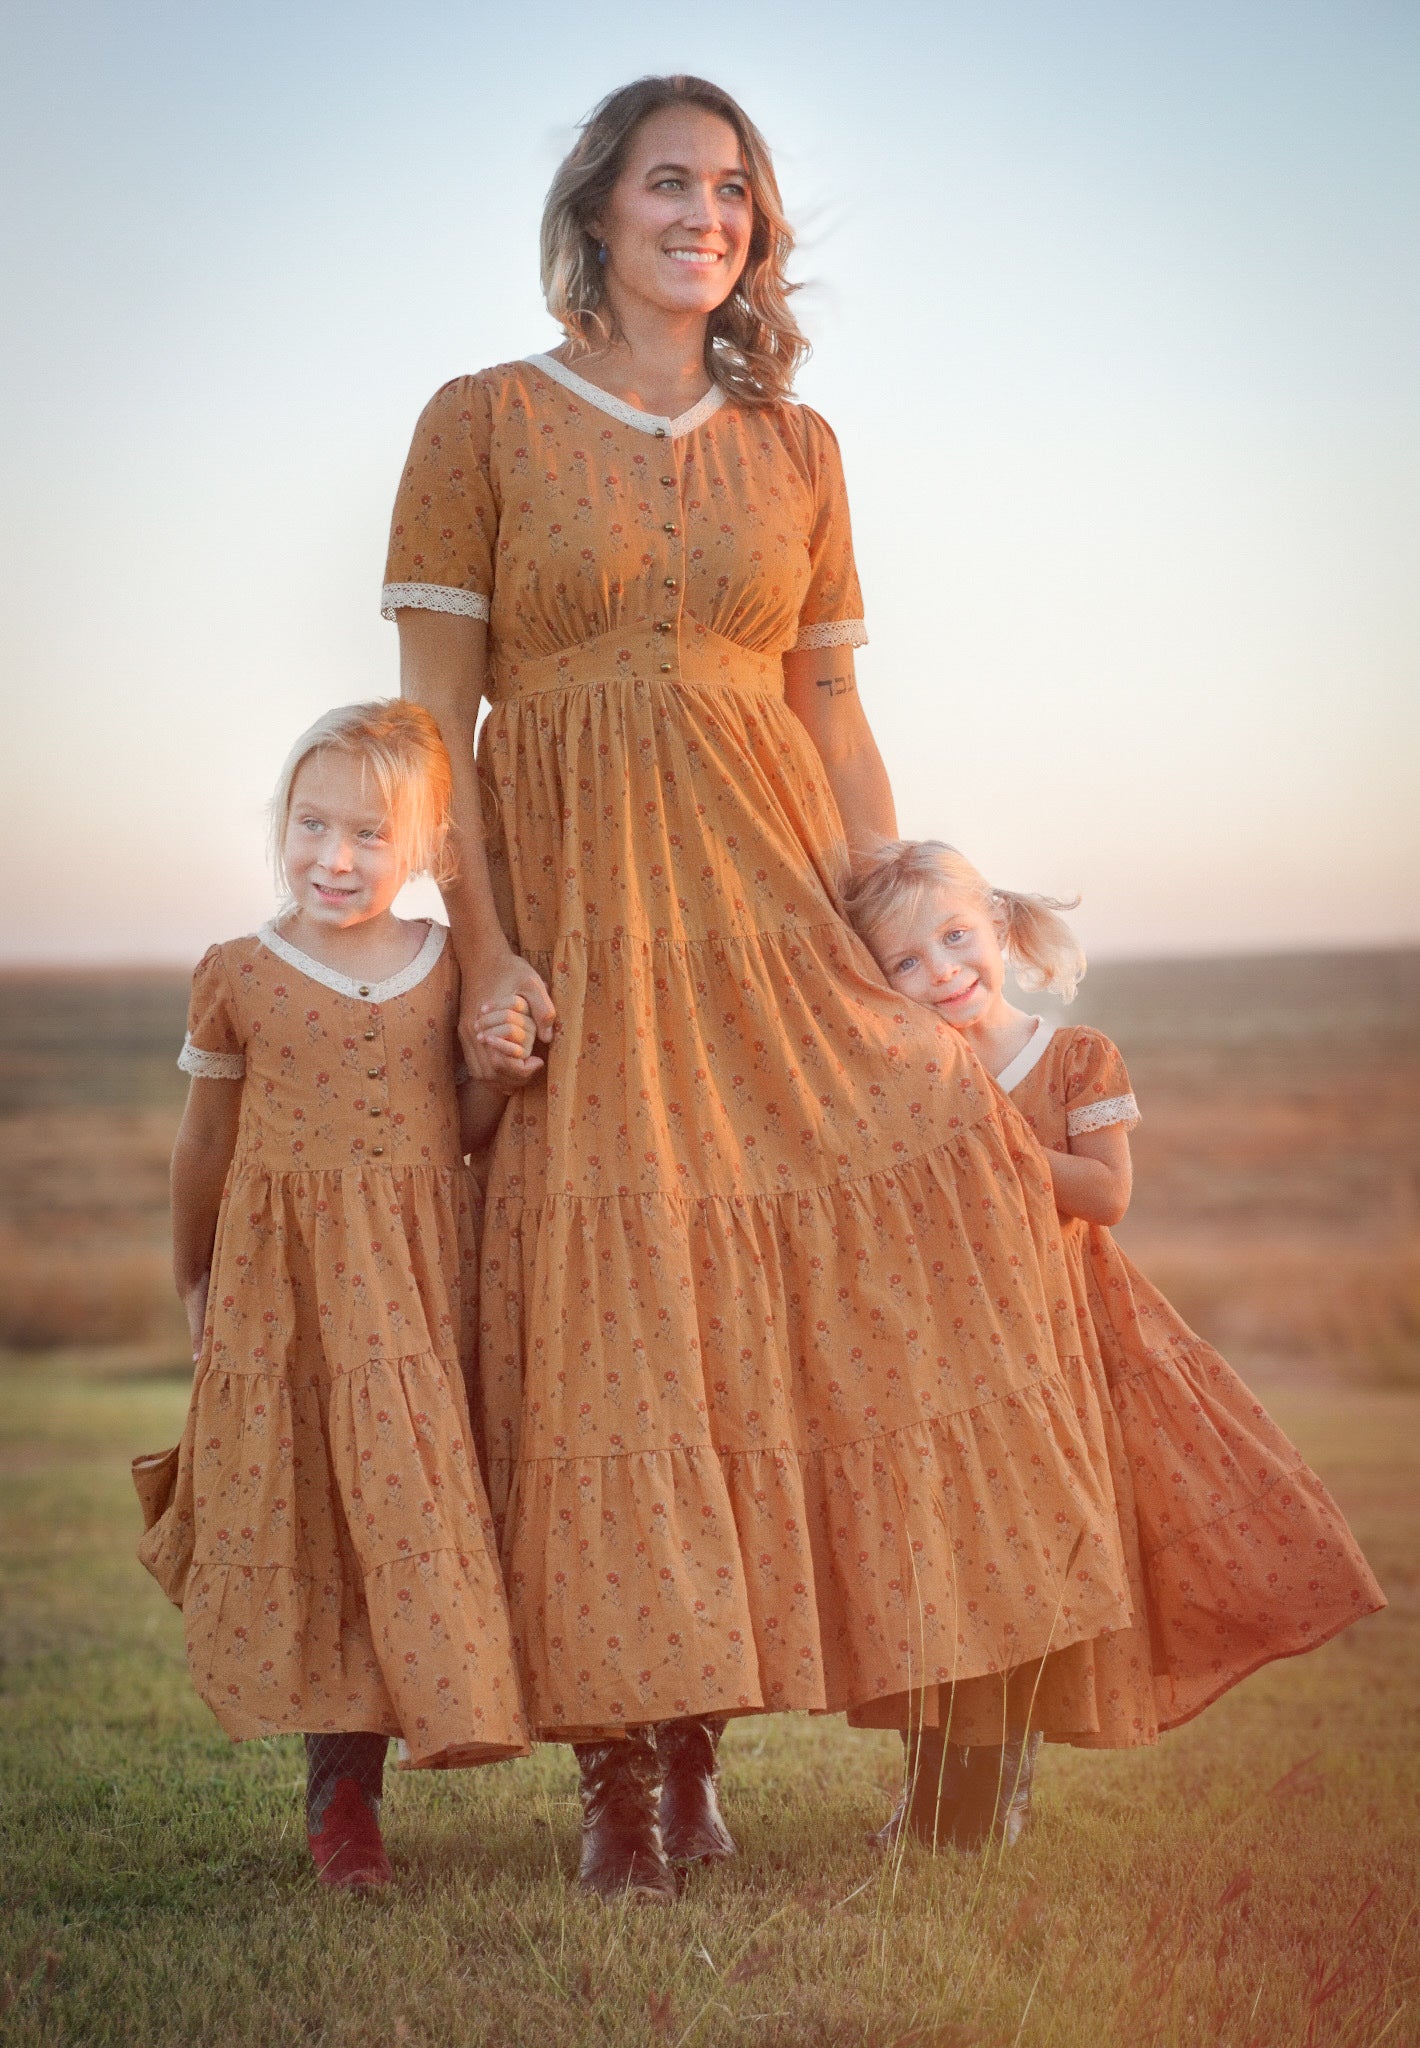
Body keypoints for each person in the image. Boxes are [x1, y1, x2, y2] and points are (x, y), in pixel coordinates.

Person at [384, 73, 1142, 1903]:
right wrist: (487, 953)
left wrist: (899, 936)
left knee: (946, 1210)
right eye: (670, 180)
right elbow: (432, 724)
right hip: (581, 918)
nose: (706, 213)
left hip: (779, 908)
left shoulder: (799, 445)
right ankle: (641, 1774)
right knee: (618, 1310)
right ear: (597, 209)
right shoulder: (478, 418)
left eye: (736, 189)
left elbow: (829, 708)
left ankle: (981, 1716)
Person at [841, 838, 1386, 1849]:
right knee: (947, 1564)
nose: (941, 973)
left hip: (1063, 1348)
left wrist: (989, 1135)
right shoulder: (910, 1070)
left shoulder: (1074, 1055)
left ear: (997, 928)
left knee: (1032, 1567)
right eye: (903, 963)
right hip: (947, 1361)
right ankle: (927, 1797)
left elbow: (1107, 1193)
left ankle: (993, 1794)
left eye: (955, 939)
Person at [133, 700, 532, 1890]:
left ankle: (430, 1725)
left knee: (410, 1505)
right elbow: (203, 1144)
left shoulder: (445, 963)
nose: (335, 857)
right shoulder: (240, 973)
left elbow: (452, 1128)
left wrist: (503, 1082)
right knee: (323, 1512)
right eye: (313, 824)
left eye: (369, 834)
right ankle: (340, 1798)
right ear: (282, 824)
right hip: (289, 1292)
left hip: (418, 1280)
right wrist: (194, 1277)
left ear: (424, 853)